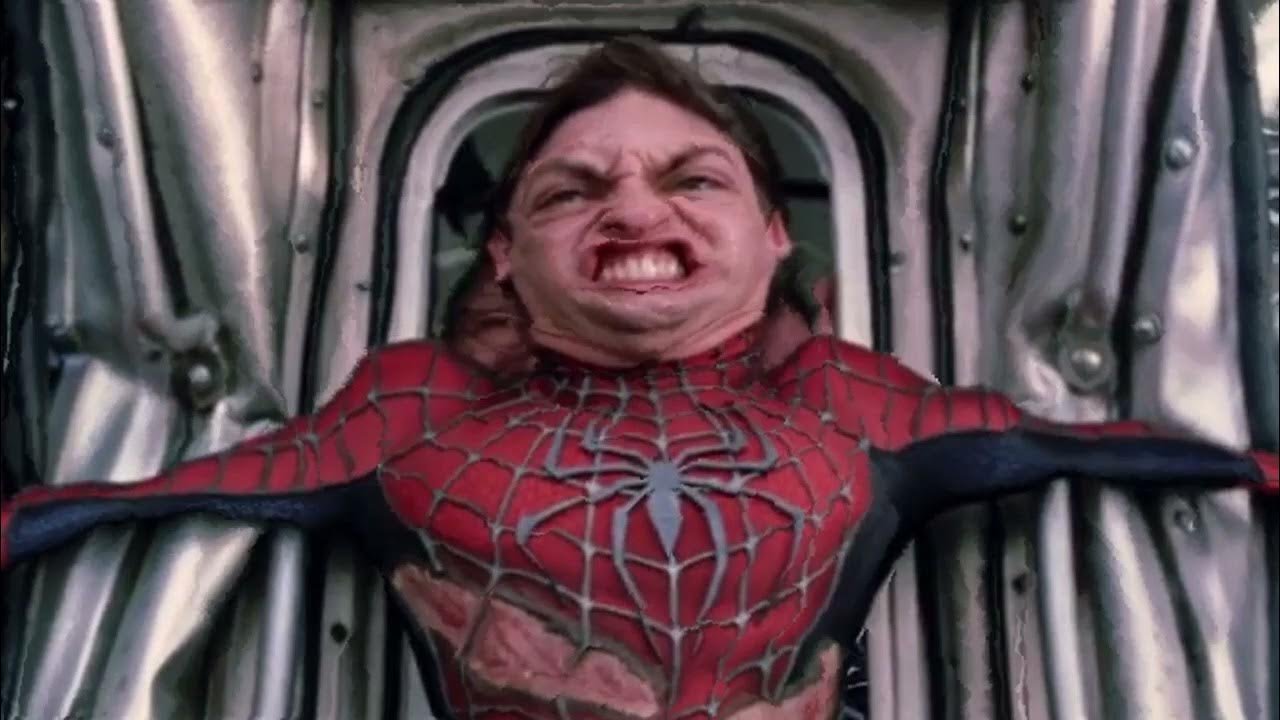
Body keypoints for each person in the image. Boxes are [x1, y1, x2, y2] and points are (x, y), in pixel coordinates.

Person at [1, 37, 1276, 720]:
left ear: (772, 236)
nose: (632, 209)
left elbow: (1075, 443)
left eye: (690, 179)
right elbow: (176, 490)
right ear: (506, 254)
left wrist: (1252, 469)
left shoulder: (842, 403)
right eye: (571, 190)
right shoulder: (415, 413)